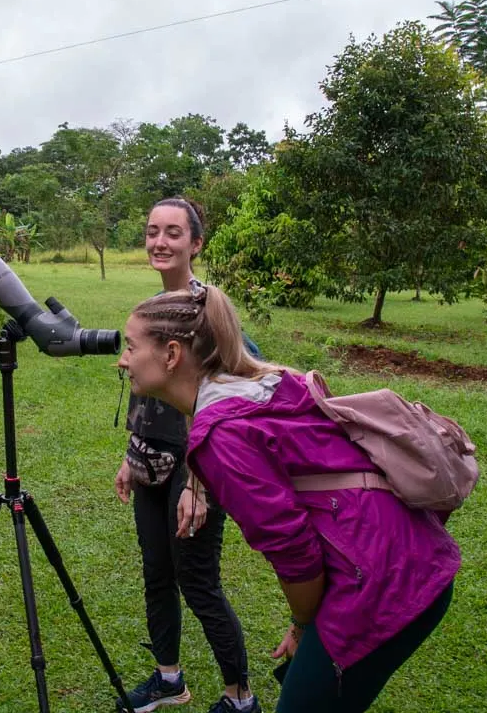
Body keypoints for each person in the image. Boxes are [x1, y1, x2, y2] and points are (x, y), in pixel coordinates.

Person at [117, 283, 460, 713]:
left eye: (131, 347)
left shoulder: (221, 435)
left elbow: (295, 552)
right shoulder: (252, 385)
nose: (123, 360)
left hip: (385, 575)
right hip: (400, 551)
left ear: (171, 355)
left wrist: (301, 625)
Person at [115, 198, 260, 713]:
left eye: (173, 233)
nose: (160, 242)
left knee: (197, 581)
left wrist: (198, 484)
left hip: (196, 467)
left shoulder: (210, 311)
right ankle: (168, 678)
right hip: (150, 463)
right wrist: (130, 453)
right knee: (157, 574)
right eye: (152, 231)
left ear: (196, 243)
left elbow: (231, 395)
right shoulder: (155, 310)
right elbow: (146, 387)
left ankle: (240, 696)